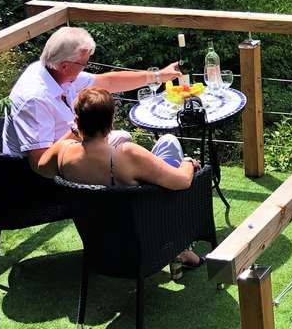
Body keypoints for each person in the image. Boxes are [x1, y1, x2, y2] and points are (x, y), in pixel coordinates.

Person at [38, 87, 205, 269]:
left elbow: (42, 169)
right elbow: (183, 181)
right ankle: (181, 249)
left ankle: (181, 252)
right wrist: (188, 162)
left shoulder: (62, 151)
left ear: (77, 121)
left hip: (98, 238)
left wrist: (73, 133)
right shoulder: (126, 154)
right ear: (111, 120)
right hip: (143, 236)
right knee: (169, 142)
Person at [2, 25, 181, 171]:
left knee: (123, 138)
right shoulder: (35, 99)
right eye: (84, 63)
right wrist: (78, 130)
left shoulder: (53, 71)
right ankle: (162, 178)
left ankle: (154, 175)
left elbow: (108, 82)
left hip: (76, 145)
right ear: (64, 66)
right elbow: (40, 164)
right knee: (159, 147)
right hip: (54, 175)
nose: (86, 67)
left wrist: (158, 76)